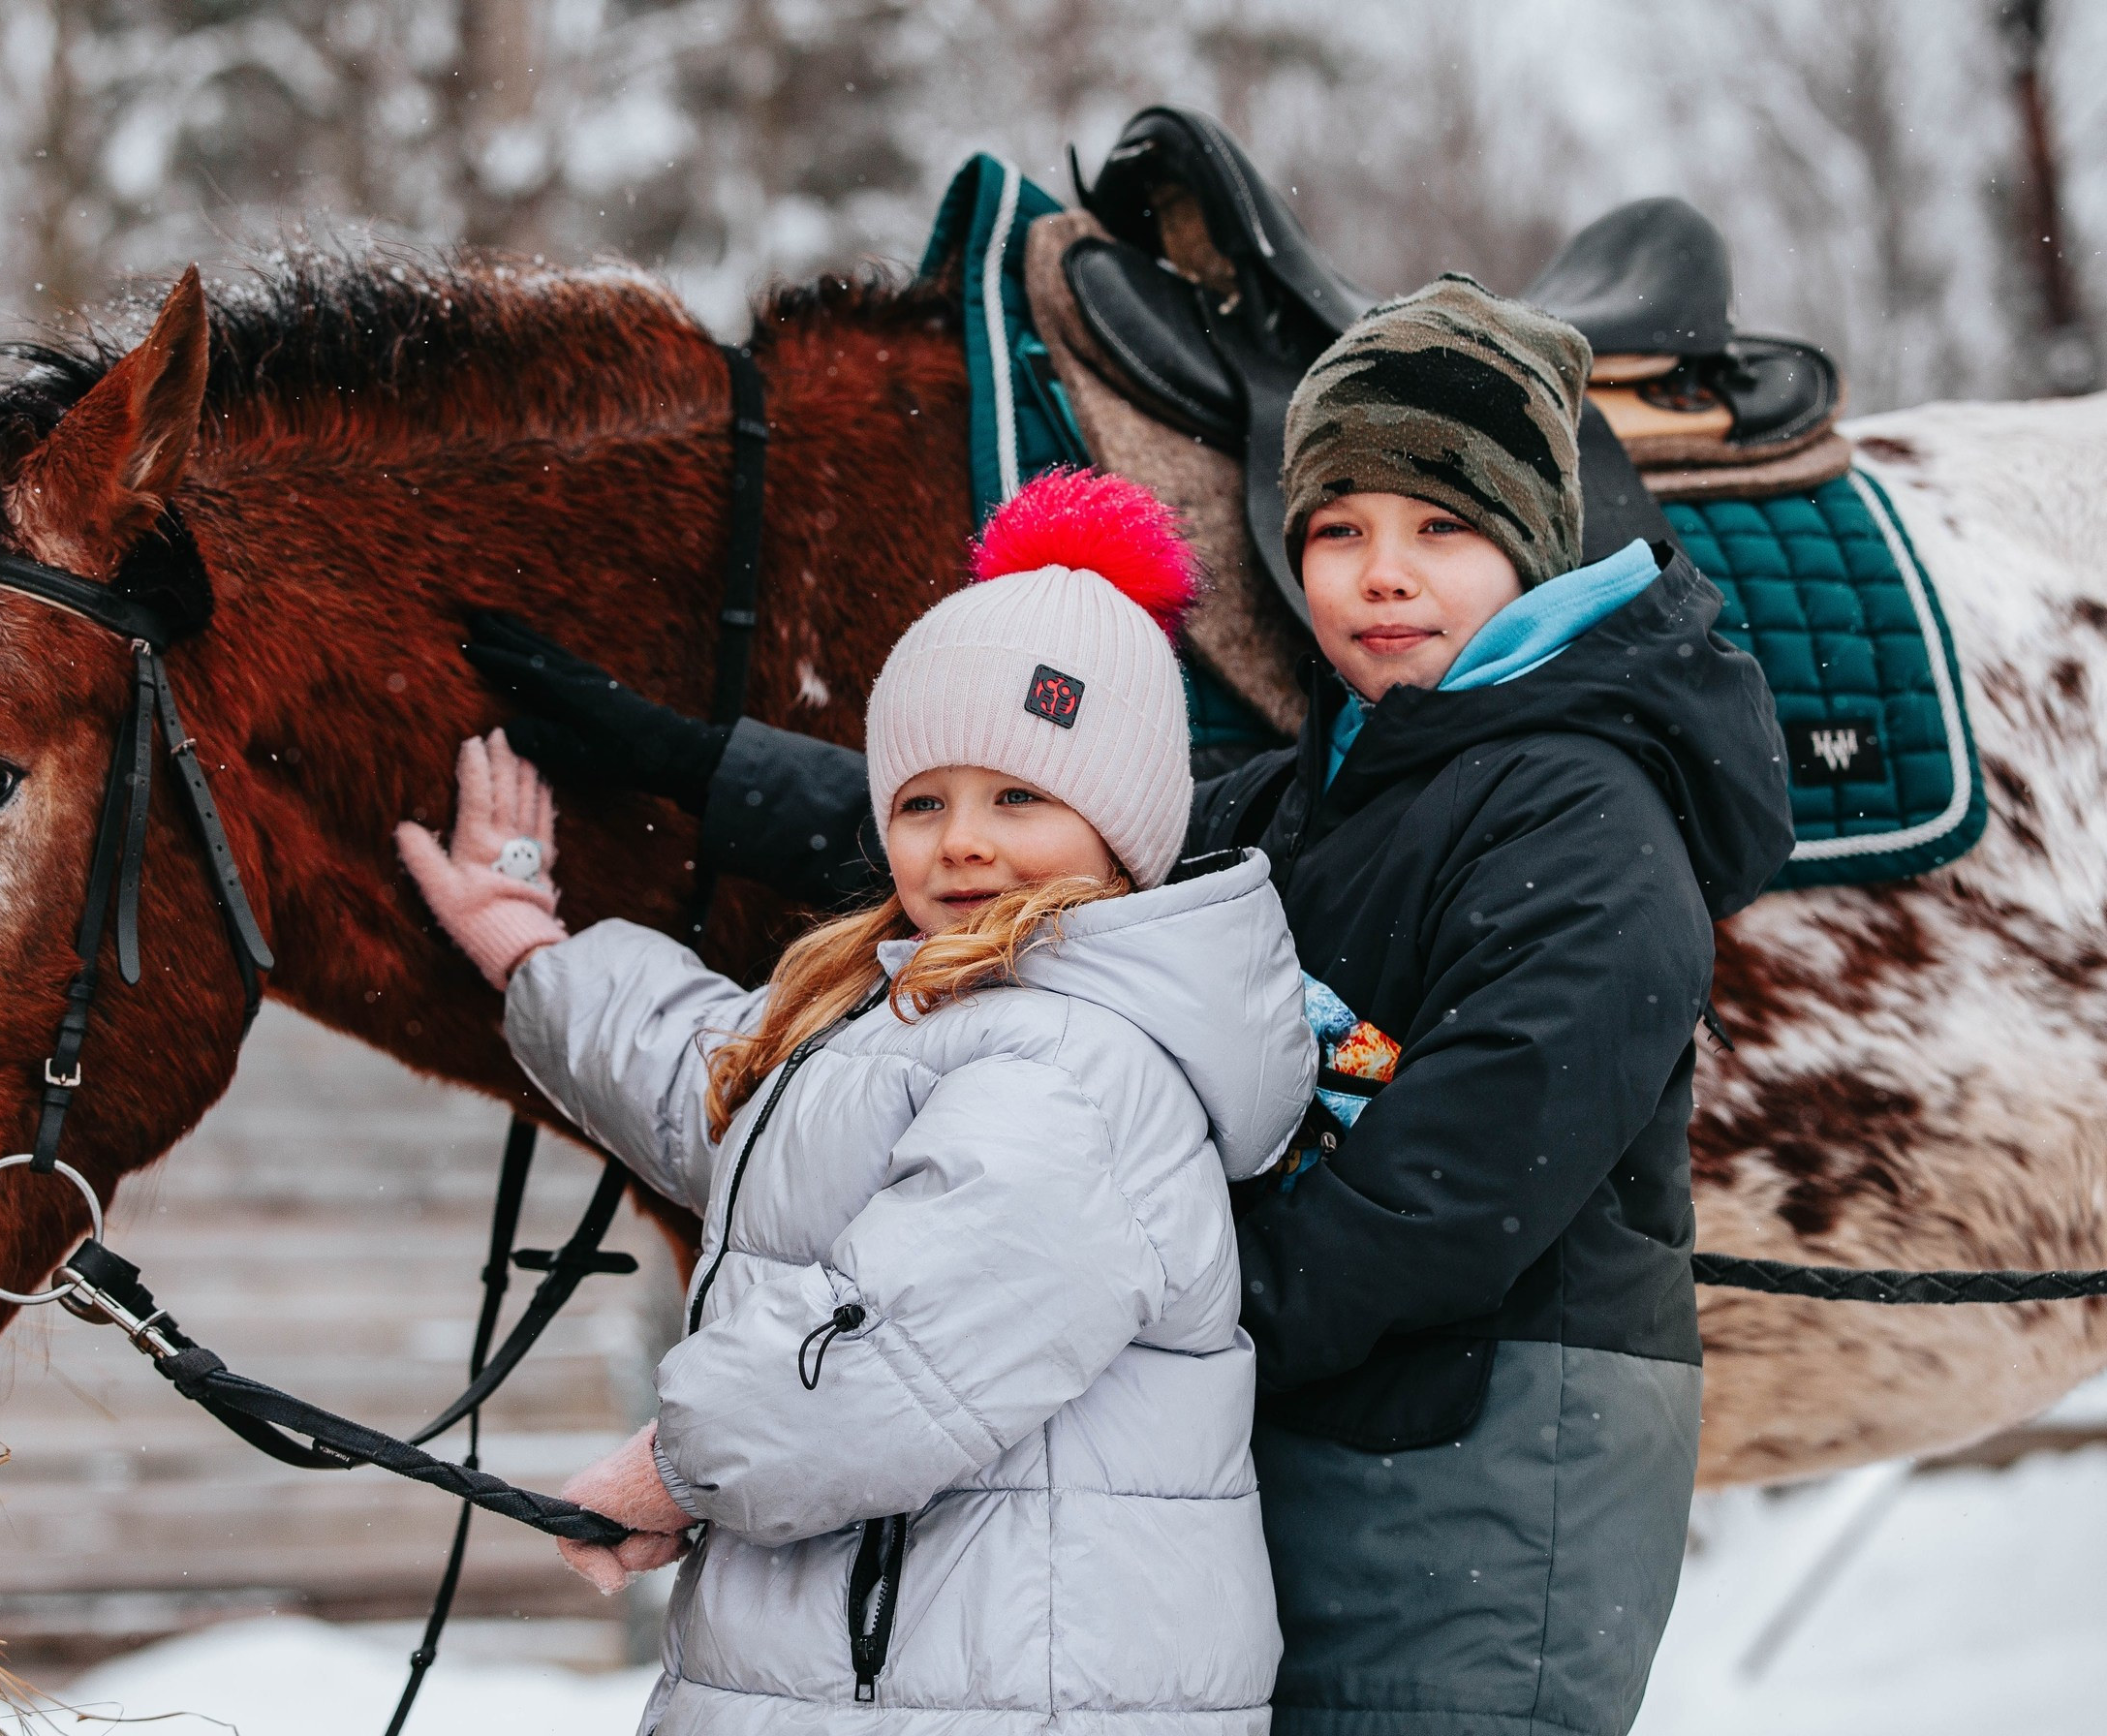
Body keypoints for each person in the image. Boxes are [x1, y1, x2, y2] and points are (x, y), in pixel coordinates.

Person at [464, 277, 1794, 1736]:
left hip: (1493, 1456)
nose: (1382, 574)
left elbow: (1459, 1190)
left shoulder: (1587, 814)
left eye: (1442, 528)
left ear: (1534, 550)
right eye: (1339, 530)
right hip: (1358, 1423)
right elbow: (1035, 834)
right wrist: (685, 763)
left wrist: (1133, 1314)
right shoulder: (1328, 786)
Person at [400, 469, 1313, 1734]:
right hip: (903, 1678)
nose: (963, 842)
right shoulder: (914, 1015)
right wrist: (528, 946)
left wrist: (678, 1468)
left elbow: (900, 1353)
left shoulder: (1080, 1064)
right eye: (921, 800)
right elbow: (723, 1090)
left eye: (1021, 797)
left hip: (984, 1689)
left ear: (1127, 824)